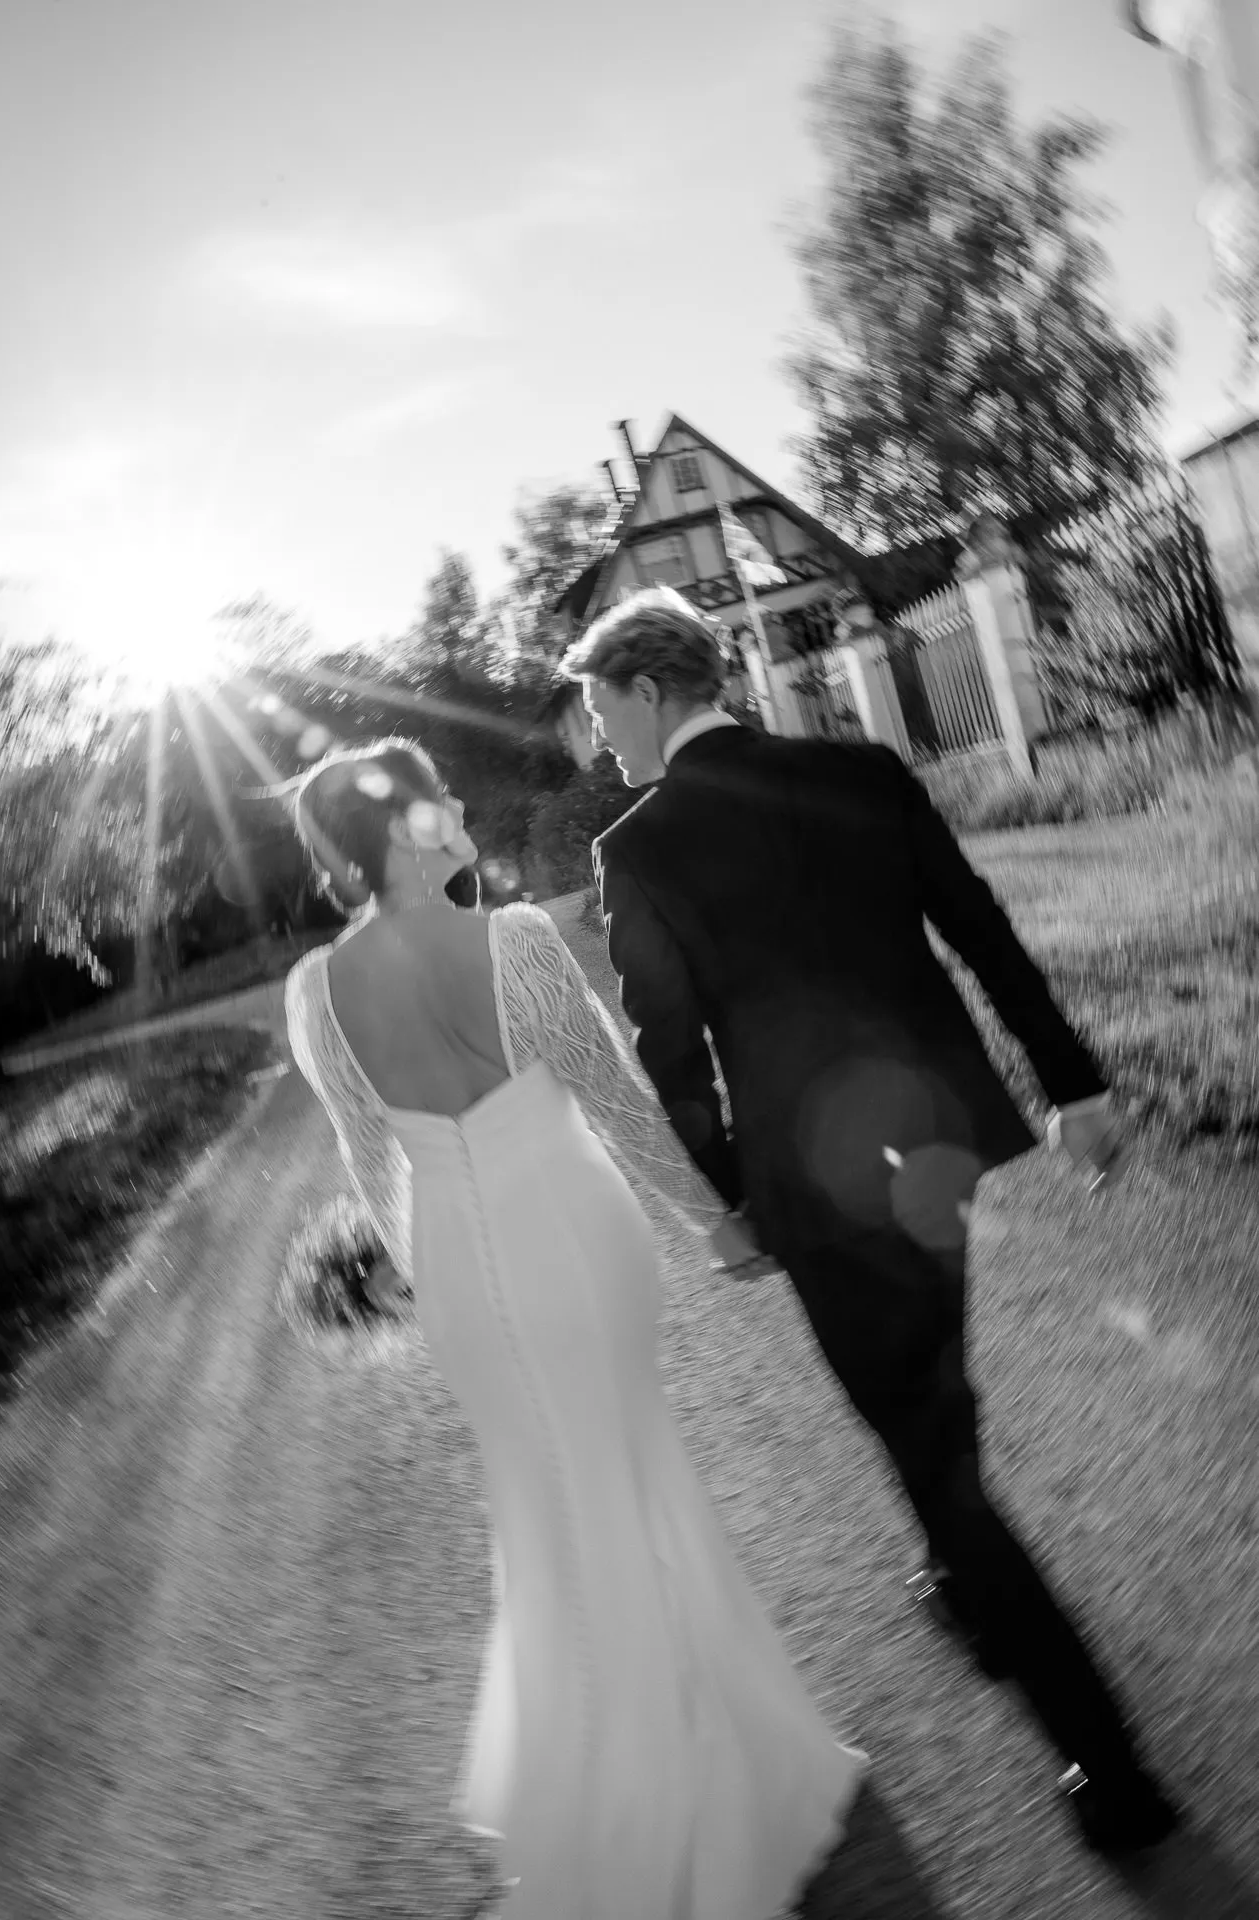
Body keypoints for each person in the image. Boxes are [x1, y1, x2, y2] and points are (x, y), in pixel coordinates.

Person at [559, 585, 1180, 1856]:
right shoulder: (859, 769)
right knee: (931, 1393)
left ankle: (1112, 1770)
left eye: (598, 708)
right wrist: (1076, 1087)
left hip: (816, 1191)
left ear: (643, 688)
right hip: (933, 1141)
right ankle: (963, 1583)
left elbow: (672, 1064)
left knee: (928, 1454)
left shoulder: (642, 847)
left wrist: (737, 1195)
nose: (597, 738)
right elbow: (981, 935)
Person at [279, 737, 866, 1920]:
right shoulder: (517, 944)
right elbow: (617, 1104)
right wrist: (717, 1226)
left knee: (545, 1502)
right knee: (627, 1476)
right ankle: (681, 1793)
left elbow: (368, 1153)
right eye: (435, 797)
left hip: (458, 1272)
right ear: (401, 832)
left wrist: (410, 1273)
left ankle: (593, 1772)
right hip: (574, 1240)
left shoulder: (313, 994)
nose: (452, 808)